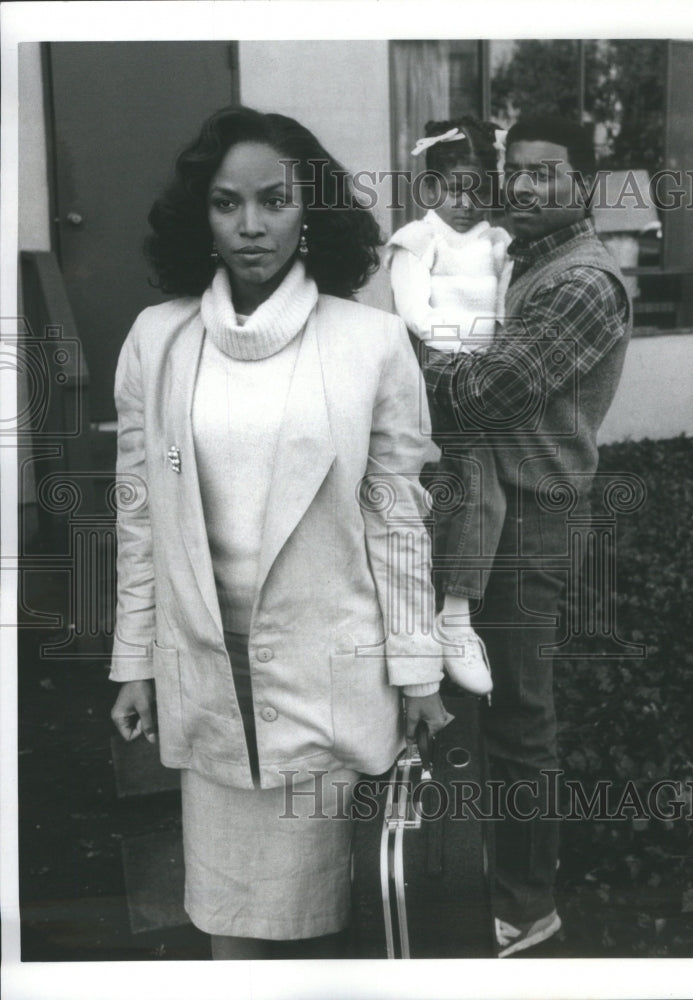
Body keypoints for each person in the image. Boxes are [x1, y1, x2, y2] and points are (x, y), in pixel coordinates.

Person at [109, 105, 449, 961]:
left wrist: (416, 672)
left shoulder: (370, 344)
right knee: (231, 927)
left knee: (343, 926)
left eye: (274, 200)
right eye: (228, 204)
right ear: (203, 216)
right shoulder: (158, 341)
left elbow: (397, 522)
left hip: (331, 677)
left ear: (313, 211)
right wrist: (135, 663)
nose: (251, 225)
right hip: (208, 671)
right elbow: (140, 516)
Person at [416, 115, 632, 957]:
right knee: (480, 706)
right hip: (485, 509)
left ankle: (525, 907)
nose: (527, 186)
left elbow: (486, 396)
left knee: (518, 717)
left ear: (585, 180)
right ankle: (483, 879)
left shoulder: (581, 282)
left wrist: (402, 357)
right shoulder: (523, 258)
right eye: (518, 170)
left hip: (532, 520)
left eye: (549, 172)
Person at [386, 116, 513, 699]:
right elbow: (418, 315)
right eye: (454, 187)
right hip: (433, 374)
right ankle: (451, 619)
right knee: (466, 478)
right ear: (432, 187)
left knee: (475, 483)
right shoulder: (419, 240)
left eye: (480, 189)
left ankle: (453, 616)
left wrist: (490, 347)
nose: (467, 202)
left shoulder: (495, 244)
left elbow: (512, 317)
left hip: (483, 378)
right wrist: (480, 338)